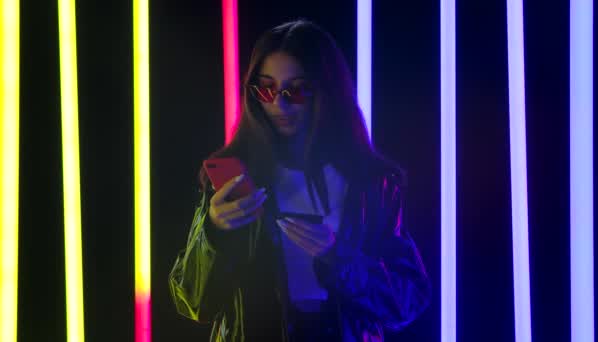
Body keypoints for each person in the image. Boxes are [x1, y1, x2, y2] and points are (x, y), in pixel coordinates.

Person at [169, 19, 431, 342]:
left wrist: (341, 258)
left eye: (296, 91)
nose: (278, 104)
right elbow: (192, 301)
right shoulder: (235, 178)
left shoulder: (371, 185)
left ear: (327, 92)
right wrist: (213, 233)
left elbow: (407, 300)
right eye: (265, 89)